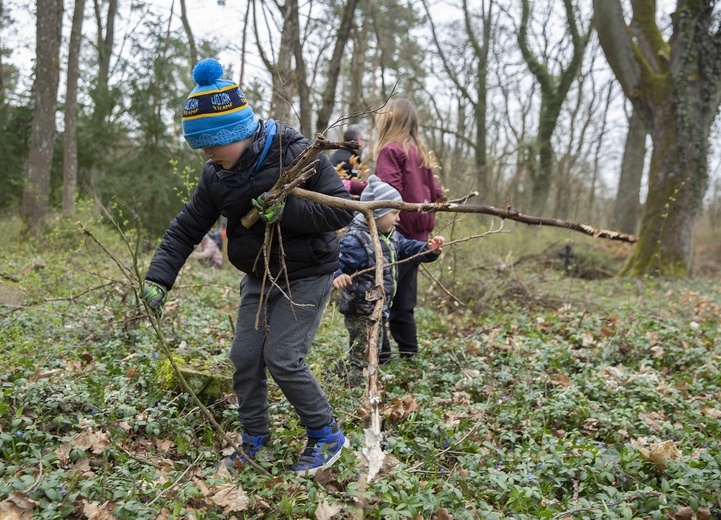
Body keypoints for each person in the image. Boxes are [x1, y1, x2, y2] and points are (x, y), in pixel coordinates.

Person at [139, 58, 354, 475]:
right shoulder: (216, 176)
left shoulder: (297, 153)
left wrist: (286, 212)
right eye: (201, 148)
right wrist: (157, 278)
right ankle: (254, 437)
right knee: (244, 356)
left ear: (236, 133)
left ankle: (326, 434)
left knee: (283, 357)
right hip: (258, 274)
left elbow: (340, 212)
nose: (207, 155)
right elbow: (185, 230)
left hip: (307, 273)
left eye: (211, 145)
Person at [333, 175, 444, 382]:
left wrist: (430, 249)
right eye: (393, 213)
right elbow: (338, 264)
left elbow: (410, 249)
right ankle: (357, 389)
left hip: (379, 307)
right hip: (360, 310)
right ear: (376, 213)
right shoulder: (355, 239)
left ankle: (355, 377)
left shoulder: (392, 235)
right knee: (363, 354)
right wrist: (339, 276)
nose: (398, 218)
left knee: (372, 350)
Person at [373, 98, 444, 360]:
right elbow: (437, 194)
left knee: (380, 294)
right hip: (419, 236)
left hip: (396, 233)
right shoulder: (421, 152)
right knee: (404, 298)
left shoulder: (391, 150)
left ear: (391, 119)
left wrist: (354, 189)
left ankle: (380, 354)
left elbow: (388, 195)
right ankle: (409, 353)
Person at [330, 124, 367, 197]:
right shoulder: (349, 160)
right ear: (359, 140)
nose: (365, 144)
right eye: (364, 140)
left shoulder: (337, 155)